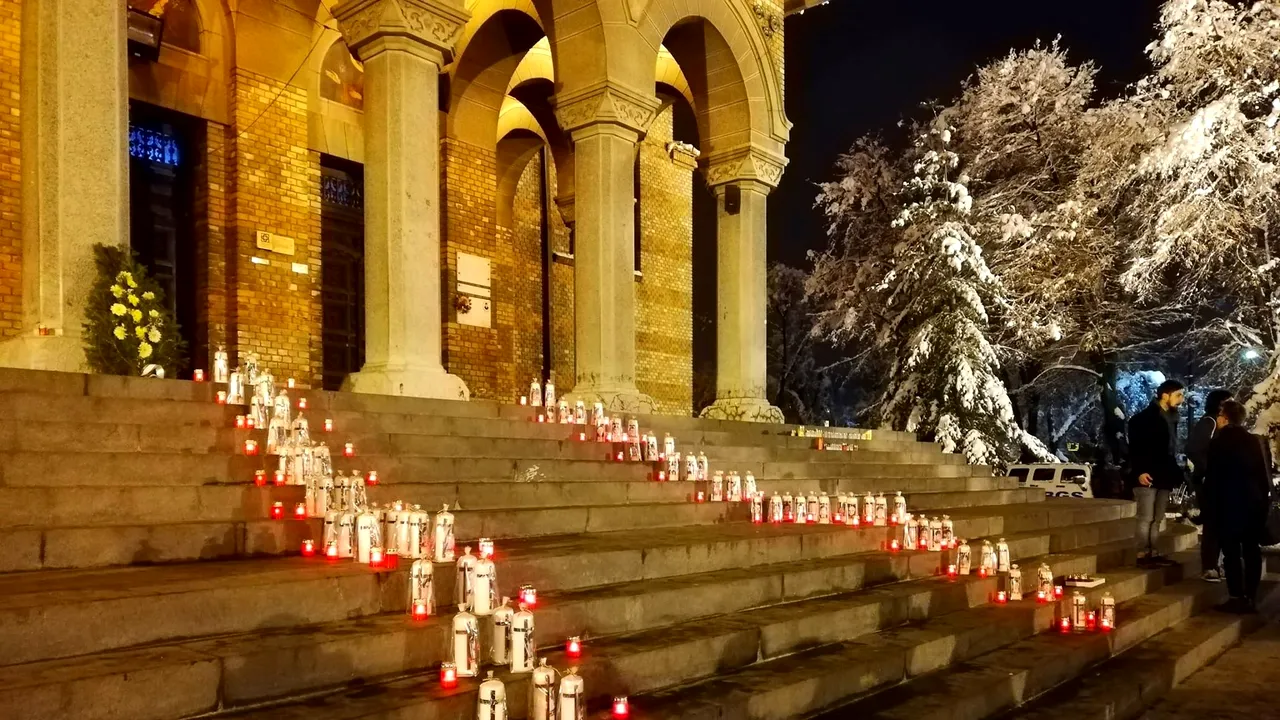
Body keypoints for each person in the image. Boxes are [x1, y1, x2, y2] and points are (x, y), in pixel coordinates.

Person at [1206, 400, 1272, 613]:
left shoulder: (1219, 442)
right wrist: (1263, 502)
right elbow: (1263, 475)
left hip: (1228, 506)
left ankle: (1236, 596)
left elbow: (1214, 478)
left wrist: (1210, 507)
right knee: (1251, 551)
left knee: (1232, 552)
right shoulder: (1254, 441)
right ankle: (1251, 596)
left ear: (1225, 417)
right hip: (1252, 504)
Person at [1127, 379, 1186, 565]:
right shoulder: (1143, 419)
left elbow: (1170, 449)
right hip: (1148, 473)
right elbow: (1135, 447)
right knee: (1146, 517)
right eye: (1178, 395)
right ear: (1165, 395)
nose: (1181, 399)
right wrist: (1139, 471)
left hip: (1164, 473)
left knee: (1158, 517)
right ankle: (1142, 553)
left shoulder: (1172, 418)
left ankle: (1153, 552)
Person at [1187, 389, 1233, 582]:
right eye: (1228, 401)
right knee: (1213, 525)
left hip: (1217, 480)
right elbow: (1194, 449)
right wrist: (1208, 470)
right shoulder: (1209, 422)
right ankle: (1209, 566)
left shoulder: (1219, 423)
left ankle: (1216, 564)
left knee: (1219, 524)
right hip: (1209, 480)